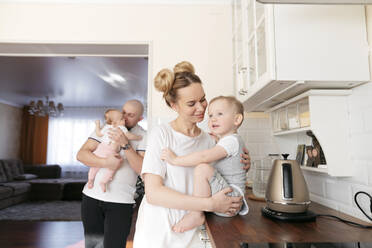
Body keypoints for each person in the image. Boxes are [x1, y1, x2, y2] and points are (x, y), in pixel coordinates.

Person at [133, 61, 251, 248]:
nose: (201, 107)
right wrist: (211, 205)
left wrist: (243, 162)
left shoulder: (210, 140)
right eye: (191, 103)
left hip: (195, 230)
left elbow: (221, 174)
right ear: (174, 105)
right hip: (160, 230)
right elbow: (153, 193)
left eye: (203, 99)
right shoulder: (161, 134)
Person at [160, 95, 249, 233]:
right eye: (211, 115)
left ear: (237, 119)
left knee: (202, 168)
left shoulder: (231, 141)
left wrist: (175, 160)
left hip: (230, 199)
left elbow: (204, 156)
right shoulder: (225, 141)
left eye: (220, 114)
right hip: (227, 199)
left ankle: (196, 214)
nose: (213, 118)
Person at [76, 99, 146, 248]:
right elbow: (81, 155)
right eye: (124, 112)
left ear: (140, 118)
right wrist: (105, 163)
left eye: (131, 115)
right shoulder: (107, 128)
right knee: (93, 245)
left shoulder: (144, 136)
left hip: (120, 203)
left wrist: (125, 144)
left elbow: (142, 169)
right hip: (91, 197)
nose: (125, 117)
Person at [87, 108, 142, 192]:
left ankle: (91, 180)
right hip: (111, 152)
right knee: (114, 166)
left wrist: (97, 125)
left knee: (94, 167)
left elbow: (99, 133)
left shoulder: (106, 127)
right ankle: (104, 181)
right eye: (121, 119)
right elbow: (129, 136)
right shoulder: (121, 128)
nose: (124, 119)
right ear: (115, 123)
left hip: (101, 149)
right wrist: (138, 137)